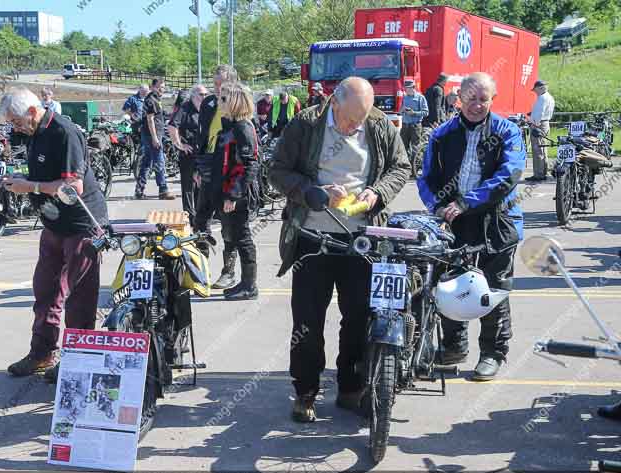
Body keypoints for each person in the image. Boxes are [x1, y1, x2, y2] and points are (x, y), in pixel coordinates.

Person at [269, 77, 411, 422]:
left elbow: (401, 167)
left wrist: (377, 192)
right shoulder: (305, 124)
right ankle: (305, 392)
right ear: (334, 103)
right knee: (307, 320)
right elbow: (276, 171)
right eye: (349, 121)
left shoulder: (377, 124)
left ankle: (351, 386)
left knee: (360, 316)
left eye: (359, 121)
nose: (354, 127)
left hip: (361, 238)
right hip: (312, 239)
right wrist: (310, 191)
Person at [417, 72, 525, 381]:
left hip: (497, 222)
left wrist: (467, 202)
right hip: (453, 222)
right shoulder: (441, 135)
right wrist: (436, 205)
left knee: (493, 289)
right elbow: (426, 177)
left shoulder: (508, 131)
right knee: (450, 287)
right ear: (458, 99)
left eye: (483, 99)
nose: (477, 105)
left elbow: (508, 175)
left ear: (493, 99)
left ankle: (493, 354)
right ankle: (453, 347)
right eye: (471, 98)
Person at [0, 87, 109, 382]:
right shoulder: (35, 131)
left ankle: (79, 360)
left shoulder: (65, 131)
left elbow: (73, 188)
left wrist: (31, 186)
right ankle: (42, 353)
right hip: (54, 223)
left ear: (33, 111)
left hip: (81, 222)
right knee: (45, 289)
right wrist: (24, 179)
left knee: (80, 298)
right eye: (12, 123)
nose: (16, 128)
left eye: (18, 122)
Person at [212, 82, 260, 300]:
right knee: (232, 236)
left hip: (238, 193)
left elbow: (250, 165)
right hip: (227, 190)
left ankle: (249, 286)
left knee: (243, 238)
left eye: (223, 98)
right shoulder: (231, 126)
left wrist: (234, 194)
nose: (218, 101)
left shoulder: (242, 127)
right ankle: (242, 282)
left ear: (233, 101)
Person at [195, 64, 239, 288]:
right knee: (200, 219)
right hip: (208, 164)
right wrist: (197, 168)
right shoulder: (208, 103)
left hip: (227, 168)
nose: (217, 88)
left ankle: (228, 271)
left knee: (228, 224)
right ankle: (200, 269)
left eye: (221, 84)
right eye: (215, 84)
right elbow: (201, 136)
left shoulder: (237, 103)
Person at [168, 84, 209, 229]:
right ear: (193, 96)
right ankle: (190, 217)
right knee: (188, 187)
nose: (204, 97)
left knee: (202, 185)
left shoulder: (207, 108)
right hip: (189, 154)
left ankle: (200, 215)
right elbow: (172, 126)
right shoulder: (185, 108)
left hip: (204, 154)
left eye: (205, 94)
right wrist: (179, 145)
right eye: (200, 94)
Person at [135, 78, 175, 200]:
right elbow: (150, 119)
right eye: (160, 87)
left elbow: (160, 115)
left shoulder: (156, 99)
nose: (162, 89)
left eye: (163, 87)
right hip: (152, 135)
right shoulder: (151, 99)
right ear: (152, 87)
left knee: (147, 163)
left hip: (154, 134)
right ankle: (163, 190)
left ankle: (139, 190)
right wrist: (155, 138)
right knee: (159, 161)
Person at [528, 80, 555, 182]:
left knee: (538, 149)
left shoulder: (542, 98)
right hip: (545, 123)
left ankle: (539, 174)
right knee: (543, 149)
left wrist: (534, 124)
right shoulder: (549, 97)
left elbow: (540, 113)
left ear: (540, 88)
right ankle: (543, 172)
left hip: (539, 125)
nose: (535, 92)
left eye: (535, 90)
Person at [399, 79, 428, 170]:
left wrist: (414, 113)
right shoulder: (404, 97)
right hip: (405, 125)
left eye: (408, 88)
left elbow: (426, 112)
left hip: (415, 125)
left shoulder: (420, 98)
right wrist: (402, 110)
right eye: (405, 88)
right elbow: (400, 111)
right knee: (403, 147)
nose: (406, 90)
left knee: (415, 148)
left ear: (413, 88)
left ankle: (415, 167)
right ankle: (406, 168)